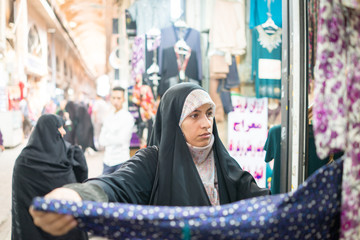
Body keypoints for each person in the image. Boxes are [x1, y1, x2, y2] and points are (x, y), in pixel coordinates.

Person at [29, 83, 269, 236]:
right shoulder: (154, 161)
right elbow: (117, 185)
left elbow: (260, 201)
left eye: (209, 113)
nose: (206, 123)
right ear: (174, 122)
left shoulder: (223, 162)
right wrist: (78, 196)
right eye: (194, 115)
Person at [12, 114, 89, 240]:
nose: (64, 131)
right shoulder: (69, 154)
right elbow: (82, 181)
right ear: (51, 130)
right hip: (65, 229)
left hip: (32, 230)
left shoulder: (23, 161)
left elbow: (18, 205)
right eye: (60, 127)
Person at [99, 86, 135, 174]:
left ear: (124, 99)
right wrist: (113, 136)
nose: (116, 101)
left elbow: (122, 139)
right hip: (107, 161)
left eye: (119, 98)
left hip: (121, 162)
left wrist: (108, 136)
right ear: (110, 99)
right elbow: (101, 141)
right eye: (113, 98)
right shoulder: (108, 116)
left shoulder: (128, 117)